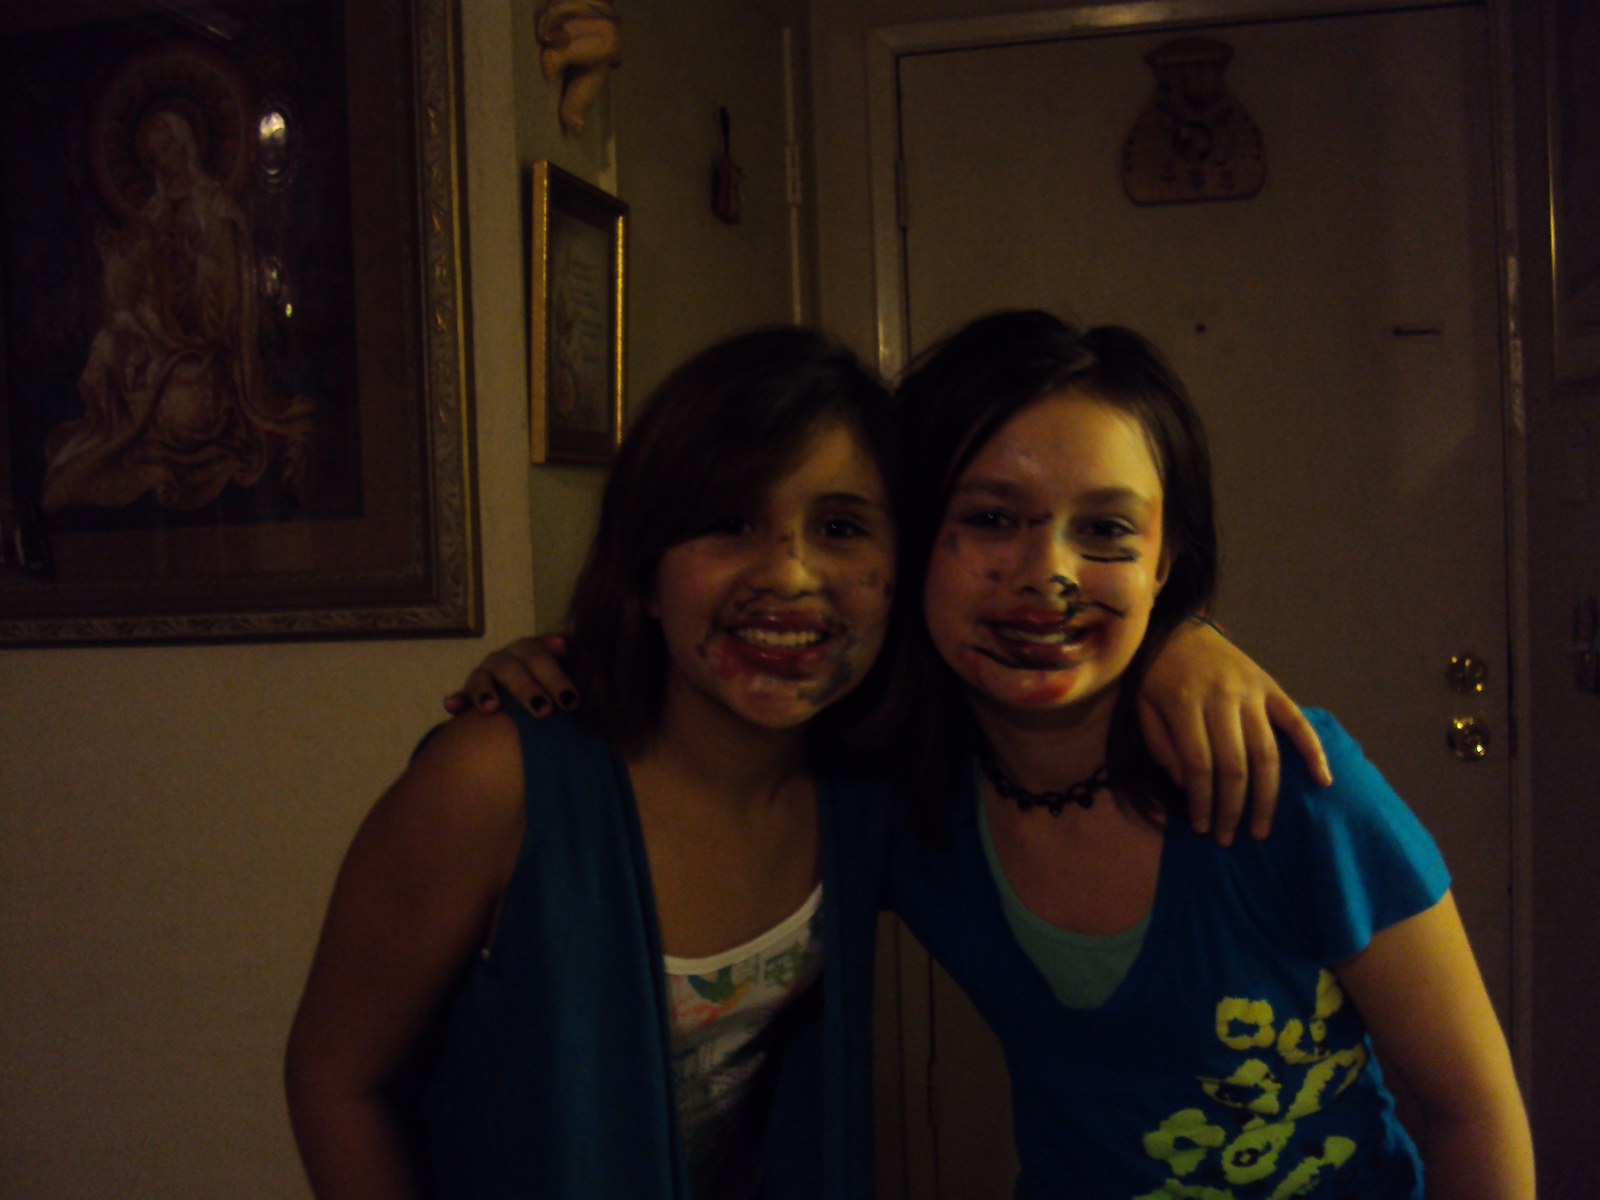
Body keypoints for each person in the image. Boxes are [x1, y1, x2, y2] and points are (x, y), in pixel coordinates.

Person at [881, 311, 1532, 1198]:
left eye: (1107, 530)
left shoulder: (1292, 783)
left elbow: (1474, 1110)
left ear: (1165, 563)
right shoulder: (903, 804)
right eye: (990, 518)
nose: (1046, 574)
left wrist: (1185, 633)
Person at [286, 328, 901, 1199]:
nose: (791, 576)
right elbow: (336, 1083)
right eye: (730, 523)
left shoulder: (865, 792)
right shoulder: (496, 782)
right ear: (644, 571)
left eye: (839, 527)